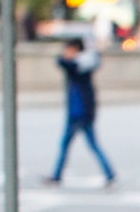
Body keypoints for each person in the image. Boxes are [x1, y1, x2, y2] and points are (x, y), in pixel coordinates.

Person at [44, 36, 115, 187]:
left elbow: (63, 62)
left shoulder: (79, 64)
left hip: (78, 112)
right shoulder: (84, 62)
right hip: (82, 111)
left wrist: (71, 56)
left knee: (73, 145)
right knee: (88, 145)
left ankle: (57, 176)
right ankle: (109, 173)